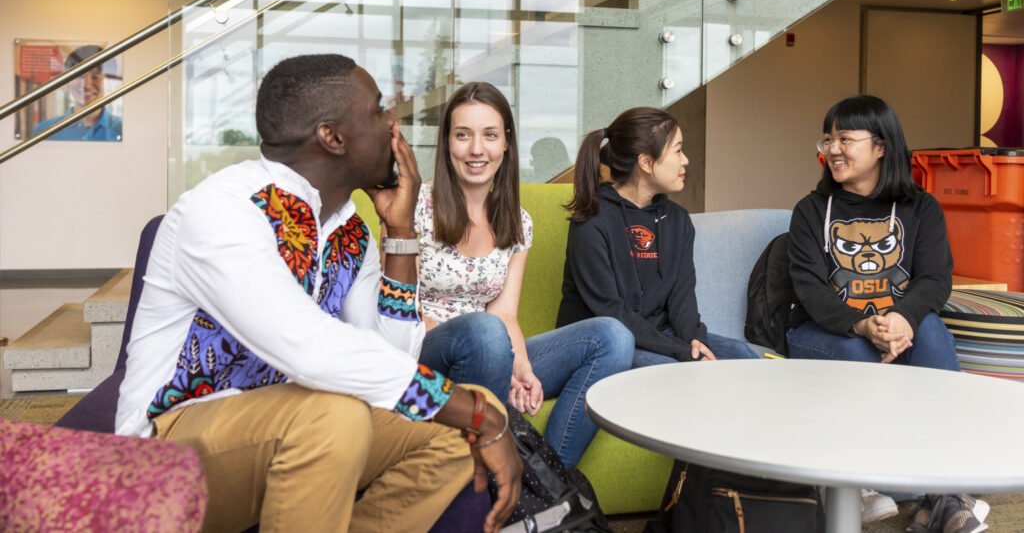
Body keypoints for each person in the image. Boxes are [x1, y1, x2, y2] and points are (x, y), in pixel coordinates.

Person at [115, 54, 521, 533]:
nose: (394, 123)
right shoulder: (222, 209)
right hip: (170, 448)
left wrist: (400, 232)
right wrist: (468, 412)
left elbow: (391, 355)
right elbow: (307, 346)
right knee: (341, 415)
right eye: (378, 111)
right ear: (333, 136)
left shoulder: (348, 228)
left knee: (466, 418)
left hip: (301, 423)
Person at [787, 94, 988, 530]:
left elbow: (935, 279)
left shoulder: (921, 208)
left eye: (846, 138)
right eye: (828, 138)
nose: (833, 149)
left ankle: (945, 493)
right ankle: (858, 478)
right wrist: (861, 323)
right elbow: (809, 291)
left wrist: (901, 318)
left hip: (895, 330)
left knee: (931, 330)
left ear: (881, 146)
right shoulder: (809, 212)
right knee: (862, 356)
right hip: (822, 334)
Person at [413, 82, 634, 470]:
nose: (477, 149)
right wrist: (494, 351)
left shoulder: (518, 222)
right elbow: (401, 308)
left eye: (490, 135)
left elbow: (506, 314)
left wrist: (521, 369)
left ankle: (543, 477)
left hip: (492, 343)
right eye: (463, 135)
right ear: (447, 142)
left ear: (506, 144)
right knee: (483, 332)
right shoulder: (416, 207)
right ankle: (497, 477)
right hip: (425, 350)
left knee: (612, 337)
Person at [558, 107, 757, 366]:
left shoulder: (677, 219)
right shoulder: (592, 220)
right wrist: (678, 350)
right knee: (670, 372)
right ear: (646, 162)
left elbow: (682, 296)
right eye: (677, 150)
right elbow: (610, 311)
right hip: (608, 343)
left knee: (743, 358)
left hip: (661, 334)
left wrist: (695, 339)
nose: (685, 160)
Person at [32, 44, 123, 141]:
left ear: (108, 83)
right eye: (79, 76)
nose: (86, 85)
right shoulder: (44, 131)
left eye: (95, 77)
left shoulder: (122, 129)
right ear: (68, 81)